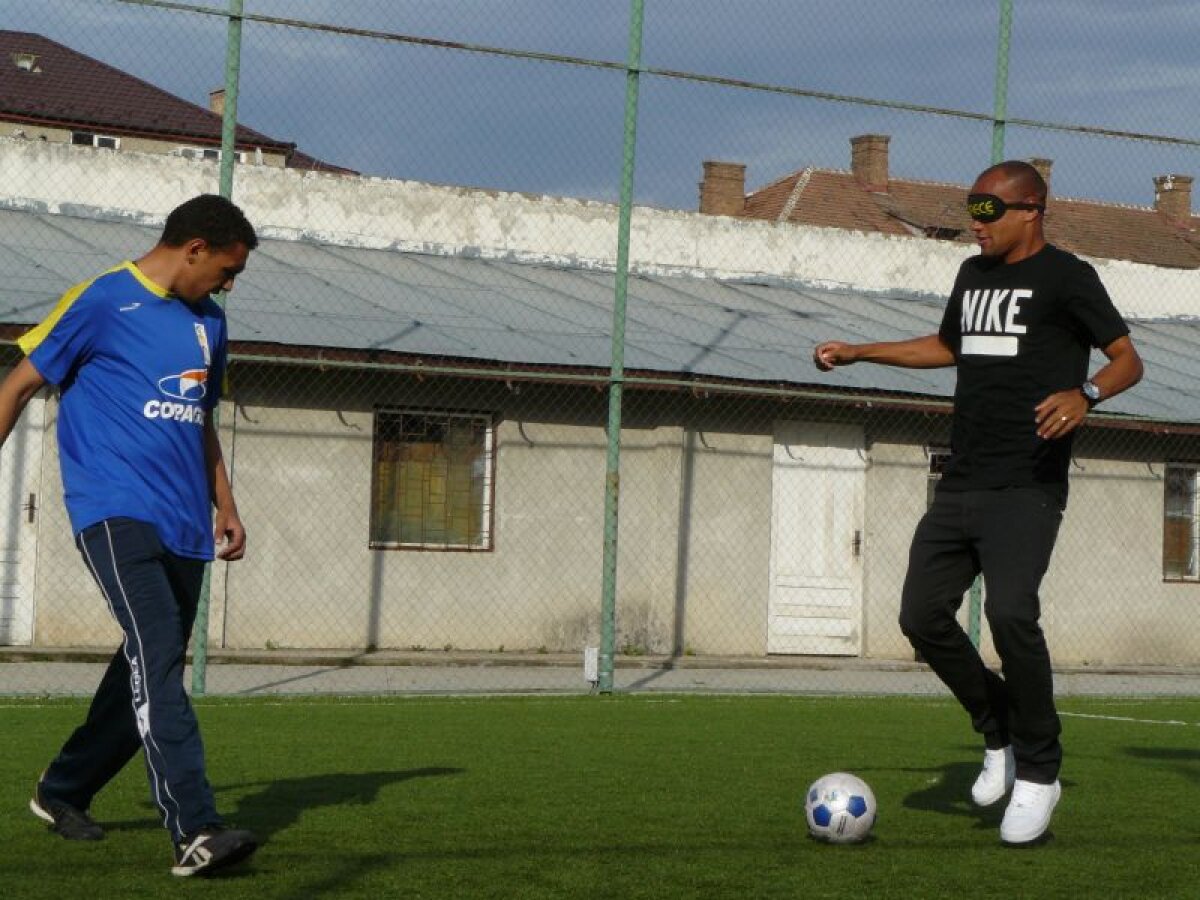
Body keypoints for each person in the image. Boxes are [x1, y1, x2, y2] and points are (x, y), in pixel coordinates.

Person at [813, 161, 1143, 844]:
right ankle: (999, 730)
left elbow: (1127, 360)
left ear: (1031, 210)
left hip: (1027, 485)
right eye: (971, 209)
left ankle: (1040, 771)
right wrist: (861, 352)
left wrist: (1086, 394)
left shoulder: (1068, 278)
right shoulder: (972, 276)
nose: (976, 223)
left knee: (1011, 613)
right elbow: (947, 346)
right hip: (962, 481)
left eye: (989, 210)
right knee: (920, 615)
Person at [0, 194, 260, 876]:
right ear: (195, 249)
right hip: (112, 511)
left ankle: (63, 788)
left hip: (185, 524)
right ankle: (195, 828)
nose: (229, 287)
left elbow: (200, 420)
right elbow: (17, 385)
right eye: (227, 271)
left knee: (148, 662)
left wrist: (226, 504)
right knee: (158, 652)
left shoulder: (210, 323)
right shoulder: (101, 299)